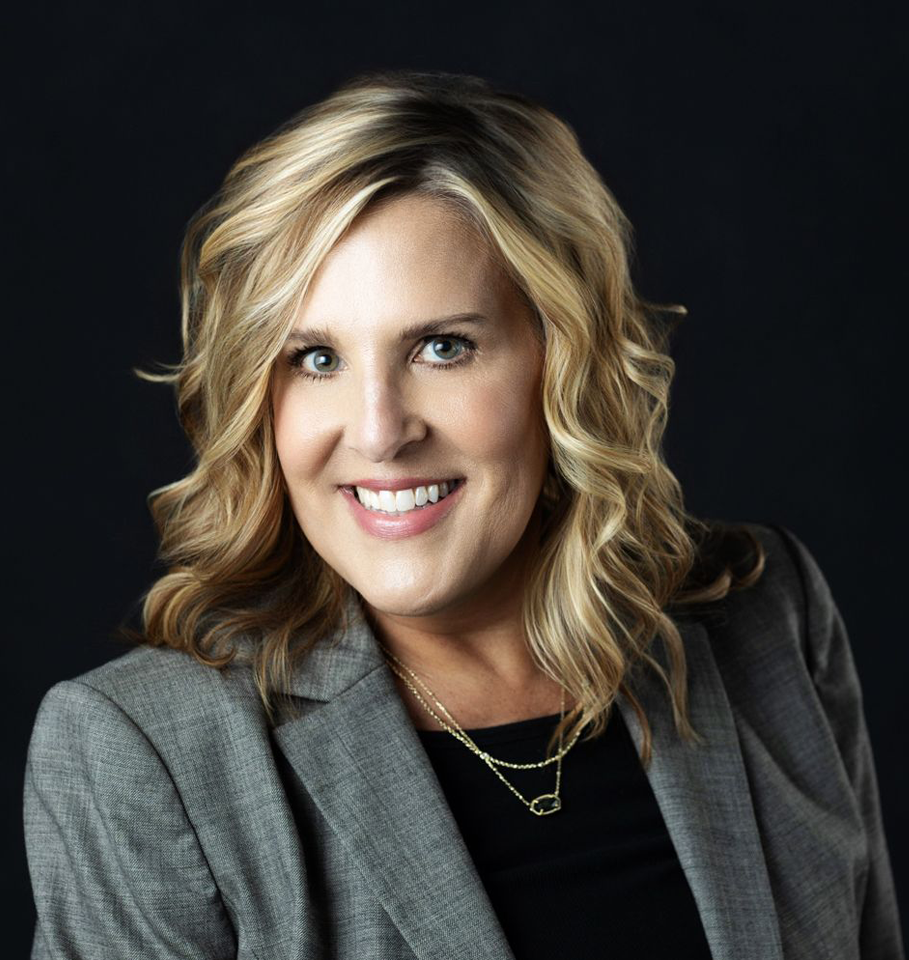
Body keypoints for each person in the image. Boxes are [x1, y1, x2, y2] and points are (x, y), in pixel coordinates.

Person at [23, 69, 903, 960]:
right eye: (316, 359)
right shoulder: (146, 755)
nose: (378, 432)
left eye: (443, 347)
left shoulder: (765, 615)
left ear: (563, 364)